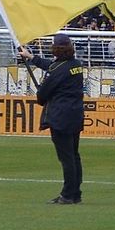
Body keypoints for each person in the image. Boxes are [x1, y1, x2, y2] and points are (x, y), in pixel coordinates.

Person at [18, 34, 85, 205]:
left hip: (60, 117)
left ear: (55, 49)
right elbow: (51, 66)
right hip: (75, 115)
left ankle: (68, 194)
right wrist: (31, 57)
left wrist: (41, 92)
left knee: (66, 158)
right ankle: (75, 193)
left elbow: (42, 95)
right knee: (74, 155)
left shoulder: (57, 71)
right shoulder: (75, 65)